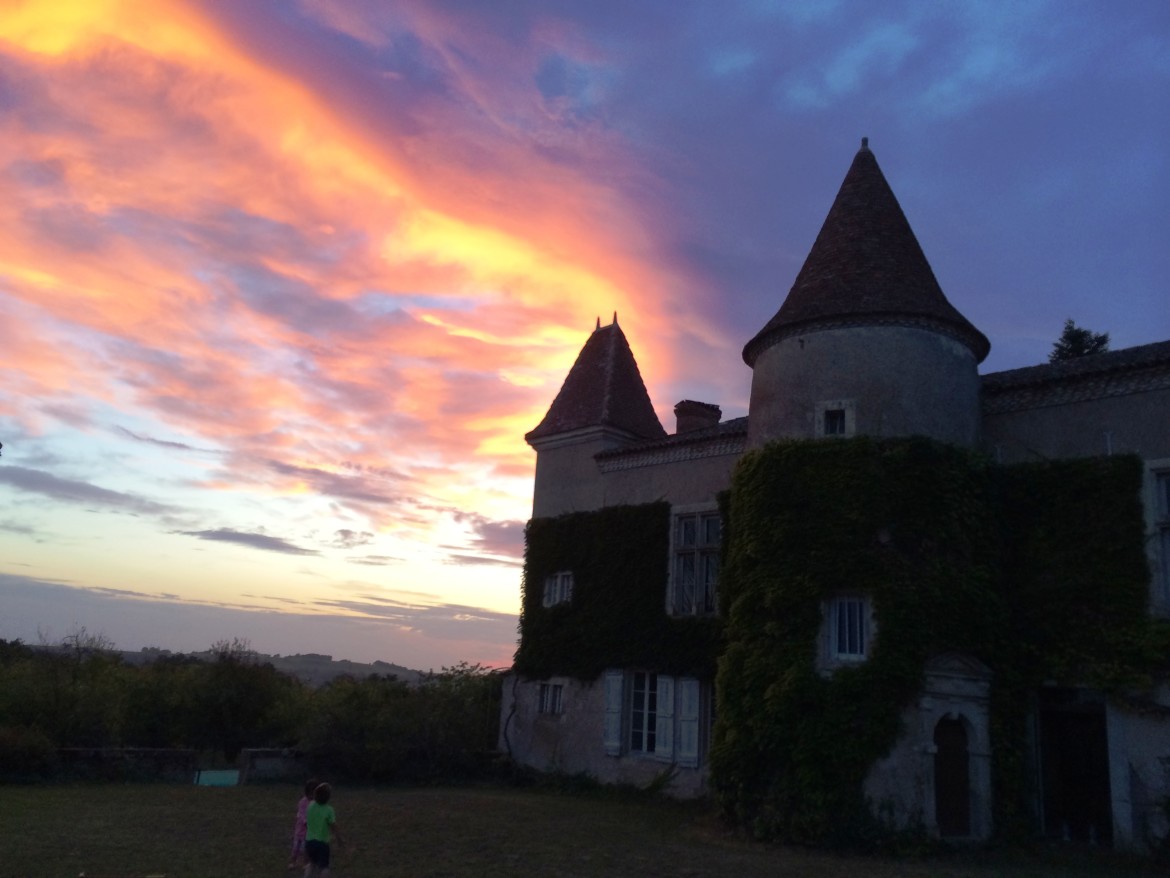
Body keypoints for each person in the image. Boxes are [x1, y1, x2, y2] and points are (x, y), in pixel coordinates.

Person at [304, 782, 343, 878]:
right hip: (322, 843)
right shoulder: (329, 810)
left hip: (309, 842)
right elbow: (333, 826)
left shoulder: (310, 806)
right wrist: (339, 839)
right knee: (324, 867)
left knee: (311, 863)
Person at [288, 778, 318, 869]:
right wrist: (306, 822)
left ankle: (306, 863)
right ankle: (293, 862)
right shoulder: (302, 802)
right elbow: (301, 814)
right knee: (296, 848)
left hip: (309, 832)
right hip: (300, 830)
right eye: (312, 793)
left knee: (305, 849)